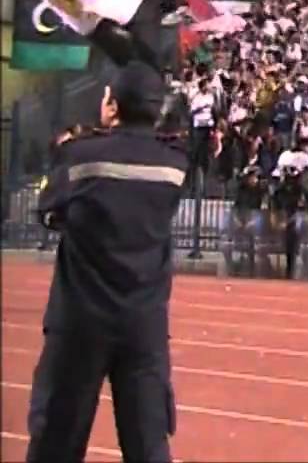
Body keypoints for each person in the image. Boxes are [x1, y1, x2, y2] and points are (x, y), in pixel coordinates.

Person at [27, 61, 188, 463]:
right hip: (144, 324)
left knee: (57, 441)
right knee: (148, 444)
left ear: (113, 107)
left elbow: (48, 211)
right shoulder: (174, 166)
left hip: (80, 320)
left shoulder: (79, 156)